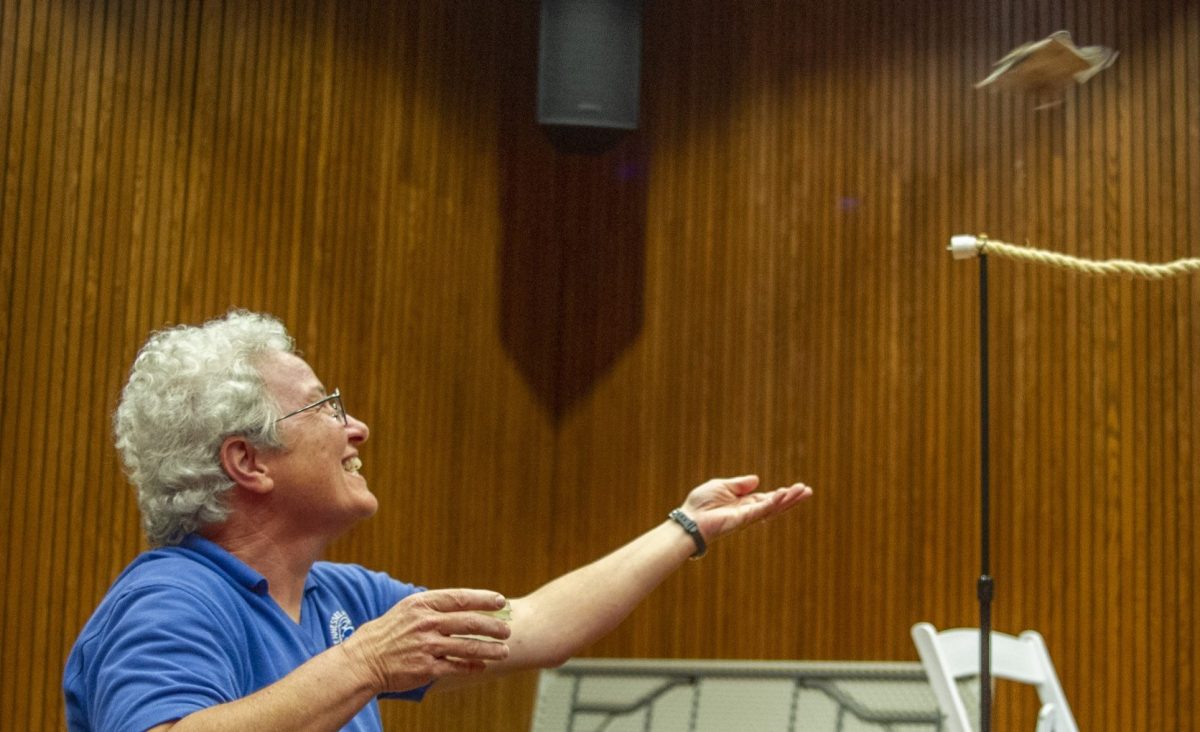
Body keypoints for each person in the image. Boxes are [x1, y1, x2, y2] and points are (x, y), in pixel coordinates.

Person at [63, 310, 814, 731]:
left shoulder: (338, 598)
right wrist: (362, 665)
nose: (356, 428)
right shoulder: (170, 600)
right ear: (247, 462)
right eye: (327, 408)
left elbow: (533, 628)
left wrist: (684, 527)